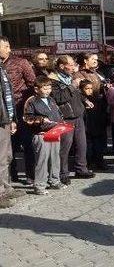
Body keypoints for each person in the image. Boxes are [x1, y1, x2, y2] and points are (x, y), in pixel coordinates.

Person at [49, 55, 95, 184]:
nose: (74, 66)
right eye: (71, 64)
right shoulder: (53, 80)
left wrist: (84, 100)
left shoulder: (70, 77)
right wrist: (72, 86)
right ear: (62, 66)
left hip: (78, 115)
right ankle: (63, 173)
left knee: (82, 144)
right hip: (65, 117)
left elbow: (76, 94)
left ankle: (81, 169)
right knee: (65, 147)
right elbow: (59, 98)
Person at [0, 36, 36, 184]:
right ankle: (11, 176)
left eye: (7, 46)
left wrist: (30, 105)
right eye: (4, 46)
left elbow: (33, 84)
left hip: (21, 109)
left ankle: (30, 176)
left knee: (27, 144)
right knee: (9, 147)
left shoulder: (21, 63)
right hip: (3, 112)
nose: (7, 49)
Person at [23, 76, 67, 194]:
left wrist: (62, 122)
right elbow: (27, 118)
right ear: (37, 89)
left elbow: (58, 113)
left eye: (49, 88)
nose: (48, 90)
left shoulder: (51, 100)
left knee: (55, 158)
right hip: (41, 134)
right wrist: (41, 120)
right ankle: (40, 185)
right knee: (42, 160)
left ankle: (54, 181)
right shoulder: (31, 101)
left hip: (54, 132)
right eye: (45, 88)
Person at [0, 62, 22, 208]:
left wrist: (12, 118)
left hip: (5, 117)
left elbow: (8, 95)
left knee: (7, 156)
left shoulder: (2, 68)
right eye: (5, 46)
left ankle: (6, 188)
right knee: (1, 157)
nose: (8, 49)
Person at [79, 79, 108, 170]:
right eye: (87, 88)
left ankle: (99, 162)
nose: (89, 90)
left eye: (91, 88)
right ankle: (89, 163)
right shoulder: (80, 99)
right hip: (86, 126)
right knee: (89, 147)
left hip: (97, 125)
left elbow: (103, 111)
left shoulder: (97, 99)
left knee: (98, 146)